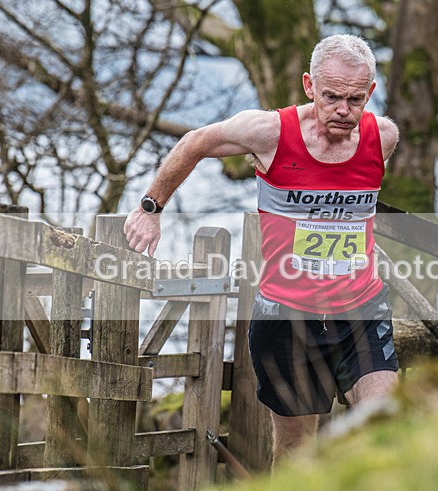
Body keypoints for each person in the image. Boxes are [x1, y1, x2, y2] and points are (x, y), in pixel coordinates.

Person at [124, 34, 400, 467]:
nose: (343, 110)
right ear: (310, 86)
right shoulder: (270, 132)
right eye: (332, 97)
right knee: (296, 451)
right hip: (286, 316)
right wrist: (150, 207)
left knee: (385, 428)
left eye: (355, 98)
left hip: (360, 311)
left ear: (371, 93)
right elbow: (196, 142)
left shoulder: (382, 137)